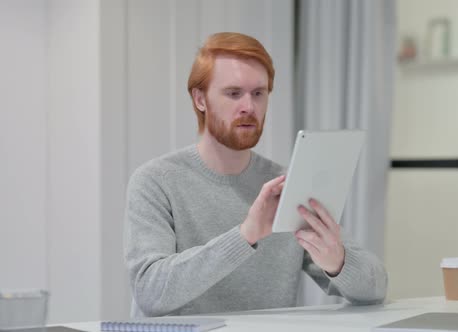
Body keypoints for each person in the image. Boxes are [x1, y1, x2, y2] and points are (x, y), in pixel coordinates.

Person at [124, 32, 388, 318]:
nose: (249, 107)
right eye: (234, 93)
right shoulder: (155, 182)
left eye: (258, 93)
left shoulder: (287, 186)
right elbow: (149, 291)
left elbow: (376, 288)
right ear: (200, 99)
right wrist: (245, 235)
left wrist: (339, 262)